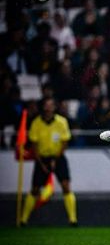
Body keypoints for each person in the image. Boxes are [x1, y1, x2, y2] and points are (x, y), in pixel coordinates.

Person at [21, 97, 77, 226]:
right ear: (43, 107)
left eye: (51, 105)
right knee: (35, 189)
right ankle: (23, 220)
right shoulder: (36, 123)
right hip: (42, 158)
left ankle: (73, 220)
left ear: (54, 107)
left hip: (58, 157)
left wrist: (55, 160)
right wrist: (41, 163)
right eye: (46, 105)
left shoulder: (61, 122)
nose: (48, 108)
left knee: (66, 186)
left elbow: (64, 143)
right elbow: (34, 145)